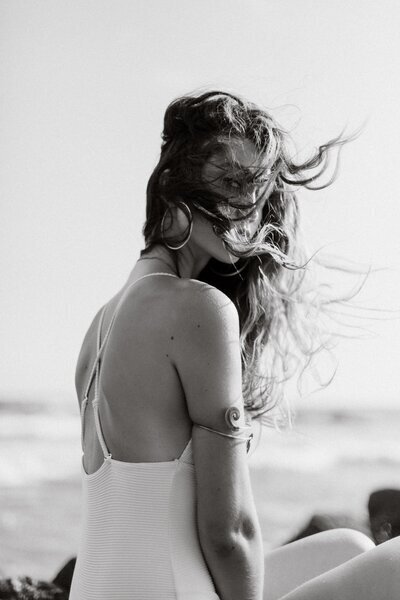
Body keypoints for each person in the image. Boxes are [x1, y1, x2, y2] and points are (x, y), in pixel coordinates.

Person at [69, 91, 400, 600]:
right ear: (173, 187)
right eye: (230, 182)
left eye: (257, 190)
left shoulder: (99, 327)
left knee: (349, 547)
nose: (246, 206)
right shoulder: (198, 309)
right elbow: (229, 533)